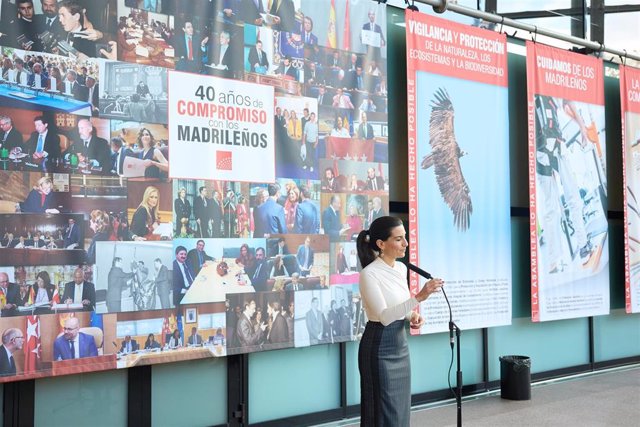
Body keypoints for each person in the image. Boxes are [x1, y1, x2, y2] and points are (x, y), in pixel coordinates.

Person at [356, 216, 443, 426]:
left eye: (405, 238)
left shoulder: (401, 268)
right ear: (381, 244)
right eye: (398, 239)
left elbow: (400, 307)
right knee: (383, 411)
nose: (405, 243)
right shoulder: (369, 274)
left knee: (400, 409)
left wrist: (412, 315)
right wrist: (419, 297)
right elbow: (384, 316)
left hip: (399, 344)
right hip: (378, 346)